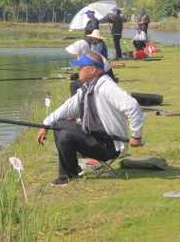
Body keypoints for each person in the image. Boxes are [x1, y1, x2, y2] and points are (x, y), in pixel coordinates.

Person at [37, 52, 145, 186]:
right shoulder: (88, 87)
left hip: (109, 145)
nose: (78, 70)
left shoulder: (107, 87)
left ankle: (68, 176)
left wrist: (136, 136)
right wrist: (46, 124)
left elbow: (133, 106)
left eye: (81, 67)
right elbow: (67, 107)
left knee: (65, 134)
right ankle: (72, 168)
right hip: (94, 138)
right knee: (59, 124)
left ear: (93, 69)